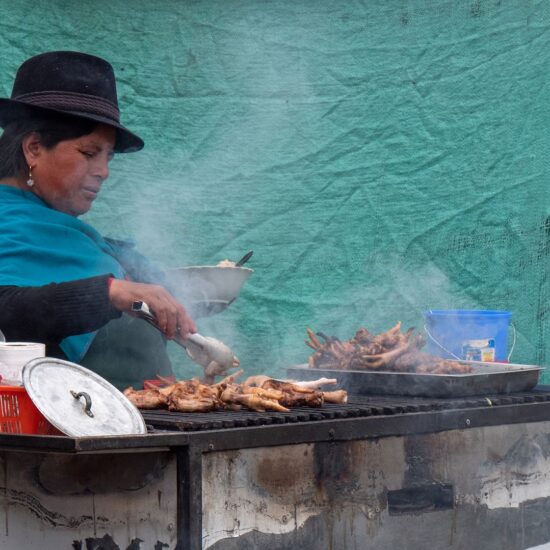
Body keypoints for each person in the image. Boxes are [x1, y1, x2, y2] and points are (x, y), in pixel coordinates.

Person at [0, 51, 197, 390]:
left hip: (142, 426)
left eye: (108, 157)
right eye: (89, 154)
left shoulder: (76, 238)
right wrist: (106, 293)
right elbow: (10, 307)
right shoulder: (9, 225)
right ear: (33, 148)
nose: (103, 172)